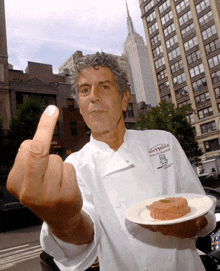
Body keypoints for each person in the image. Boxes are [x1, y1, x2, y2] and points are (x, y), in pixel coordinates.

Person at [7, 52, 216, 271]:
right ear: (80, 106)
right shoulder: (74, 167)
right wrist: (63, 219)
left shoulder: (163, 141)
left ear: (125, 99)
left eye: (104, 87)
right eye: (85, 90)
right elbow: (80, 242)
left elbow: (202, 207)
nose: (93, 96)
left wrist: (195, 224)